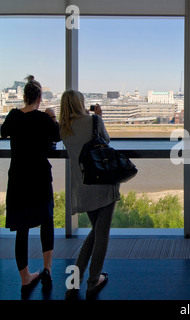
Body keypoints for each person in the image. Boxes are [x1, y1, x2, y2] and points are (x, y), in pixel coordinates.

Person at [0, 75, 60, 294]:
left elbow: (3, 131)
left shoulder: (14, 116)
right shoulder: (43, 119)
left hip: (18, 178)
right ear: (40, 98)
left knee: (22, 229)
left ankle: (25, 277)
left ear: (24, 97)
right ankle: (47, 269)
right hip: (40, 177)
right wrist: (52, 116)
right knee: (47, 221)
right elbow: (58, 134)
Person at [59, 90, 120, 299]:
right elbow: (107, 141)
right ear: (80, 103)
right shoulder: (94, 121)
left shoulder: (63, 128)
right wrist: (99, 117)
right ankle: (93, 282)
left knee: (95, 232)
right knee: (101, 235)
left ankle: (74, 283)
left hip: (83, 188)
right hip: (103, 184)